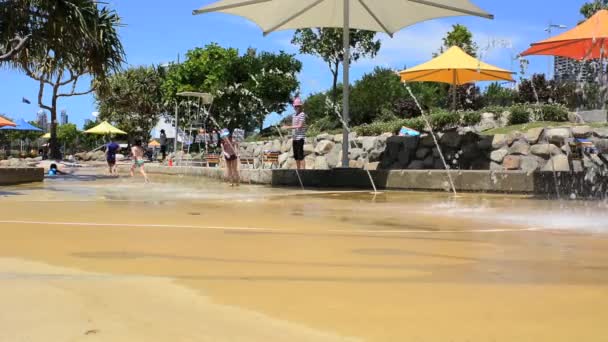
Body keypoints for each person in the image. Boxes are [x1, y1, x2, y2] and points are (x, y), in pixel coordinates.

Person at [282, 97, 307, 169]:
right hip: (295, 138)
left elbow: (300, 125)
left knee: (300, 155)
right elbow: (294, 126)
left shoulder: (302, 114)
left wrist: (288, 127)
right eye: (295, 106)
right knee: (296, 156)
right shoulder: (294, 115)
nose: (296, 107)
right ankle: (298, 170)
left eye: (298, 106)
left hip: (300, 138)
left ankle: (303, 171)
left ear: (300, 106)